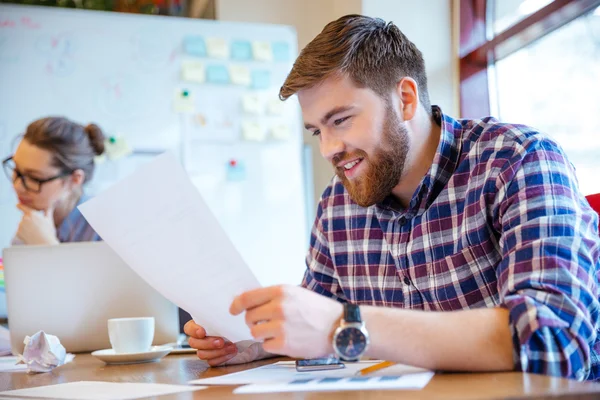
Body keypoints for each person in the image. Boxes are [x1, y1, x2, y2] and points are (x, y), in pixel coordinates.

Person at [185, 15, 600, 380]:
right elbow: (318, 318)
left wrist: (344, 324)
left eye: (341, 120)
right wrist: (255, 343)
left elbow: (554, 343)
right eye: (316, 131)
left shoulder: (517, 160)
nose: (328, 148)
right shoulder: (338, 204)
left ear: (404, 99)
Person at [3, 117, 105, 245]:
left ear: (74, 179)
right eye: (17, 171)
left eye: (34, 178)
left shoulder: (107, 229)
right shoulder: (33, 224)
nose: (17, 186)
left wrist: (46, 245)